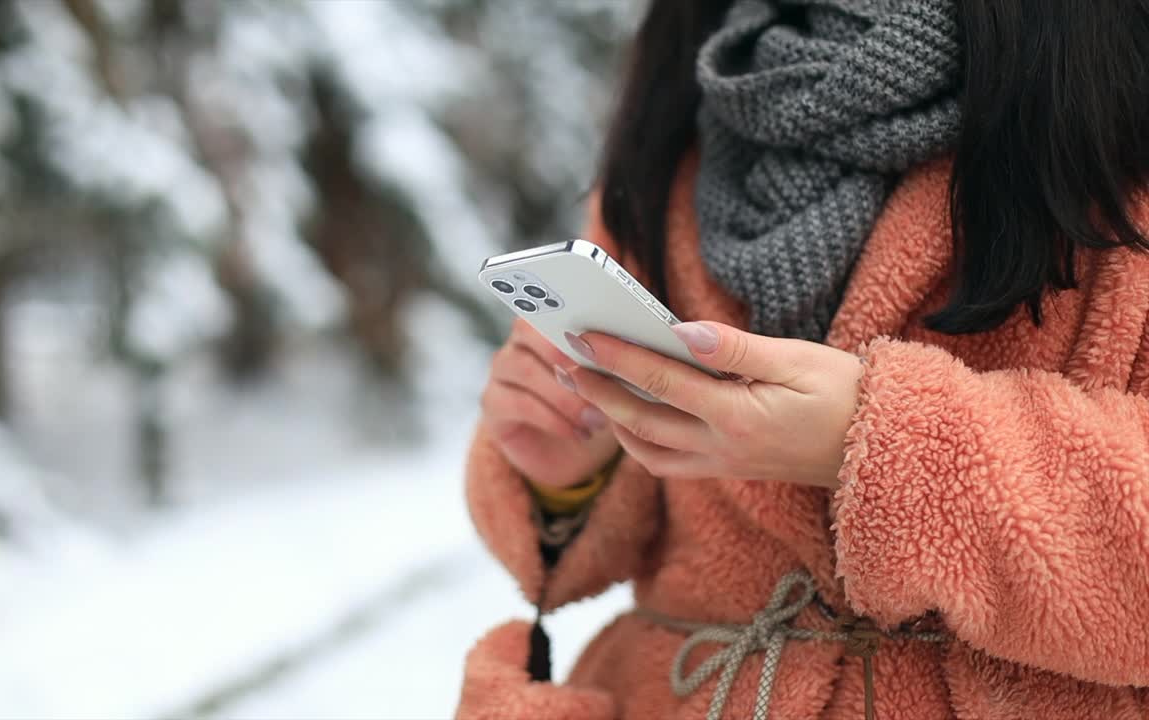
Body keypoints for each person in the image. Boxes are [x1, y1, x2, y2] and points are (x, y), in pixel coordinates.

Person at [455, 1, 1149, 719]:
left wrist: (886, 447)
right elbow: (619, 522)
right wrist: (574, 467)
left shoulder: (1116, 101)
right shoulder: (685, 107)